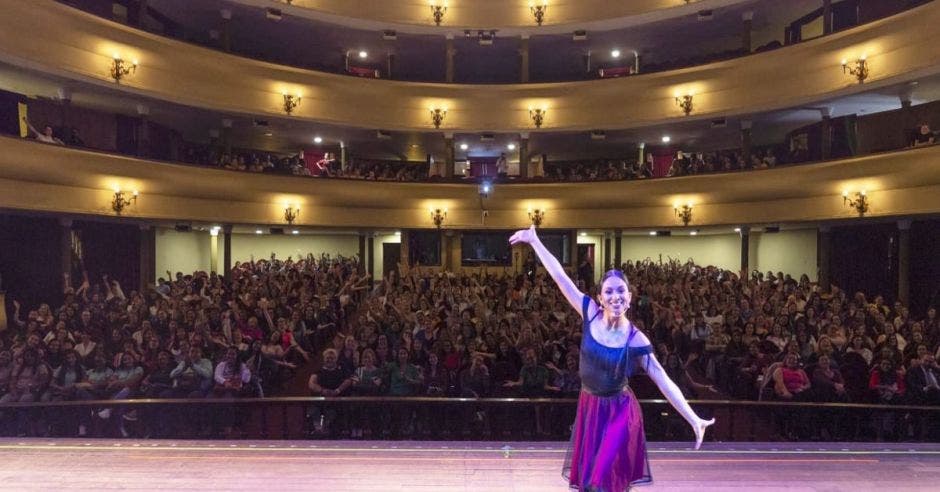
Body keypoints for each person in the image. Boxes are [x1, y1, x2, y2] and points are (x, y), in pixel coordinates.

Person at [508, 225, 714, 491]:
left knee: (602, 477)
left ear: (629, 298)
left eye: (620, 291)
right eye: (609, 292)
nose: (615, 296)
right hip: (590, 407)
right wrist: (535, 241)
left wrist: (693, 418)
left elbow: (664, 381)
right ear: (600, 298)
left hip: (621, 411)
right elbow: (560, 276)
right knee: (591, 480)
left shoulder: (637, 340)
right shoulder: (589, 314)